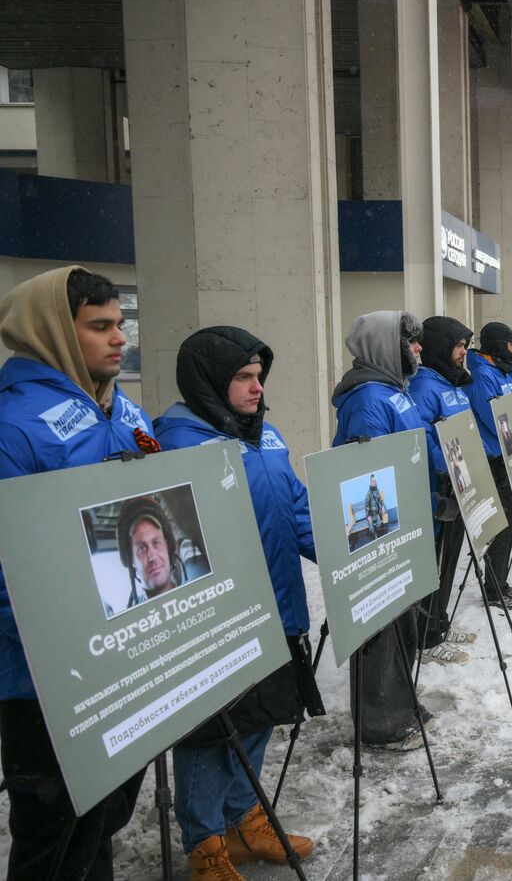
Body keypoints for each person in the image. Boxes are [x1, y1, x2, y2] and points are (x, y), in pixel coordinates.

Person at [0, 267, 152, 880]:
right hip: (48, 680)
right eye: (100, 327)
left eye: (120, 325)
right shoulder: (14, 426)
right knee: (53, 838)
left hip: (121, 654)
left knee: (101, 819)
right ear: (53, 333)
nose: (119, 339)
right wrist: (63, 655)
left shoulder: (119, 407)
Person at [154, 325, 321, 876]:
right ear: (208, 381)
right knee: (209, 732)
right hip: (220, 621)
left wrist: (350, 556)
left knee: (259, 717)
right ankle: (204, 843)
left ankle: (243, 819)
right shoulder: (176, 443)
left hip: (277, 606)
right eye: (243, 378)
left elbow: (296, 509)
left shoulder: (264, 437)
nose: (256, 388)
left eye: (258, 376)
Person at [331, 310, 446, 750]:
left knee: (404, 624)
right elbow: (371, 473)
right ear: (385, 348)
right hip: (386, 534)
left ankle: (400, 703)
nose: (419, 349)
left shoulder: (395, 391)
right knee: (382, 627)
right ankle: (380, 722)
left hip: (412, 522)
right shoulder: (368, 399)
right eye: (410, 343)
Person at [405, 315, 475, 659]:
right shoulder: (423, 387)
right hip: (438, 489)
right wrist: (446, 464)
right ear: (440, 348)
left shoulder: (452, 384)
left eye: (465, 346)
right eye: (458, 346)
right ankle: (426, 635)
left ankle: (439, 622)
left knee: (449, 560)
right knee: (433, 565)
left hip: (458, 486)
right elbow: (420, 437)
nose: (463, 353)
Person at [464, 323, 512, 610]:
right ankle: (493, 588)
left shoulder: (500, 371)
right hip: (495, 457)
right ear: (497, 345)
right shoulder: (483, 375)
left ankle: (500, 581)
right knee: (504, 523)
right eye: (510, 344)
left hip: (510, 454)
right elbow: (496, 419)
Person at [115, 495, 211, 609]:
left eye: (156, 543)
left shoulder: (201, 592)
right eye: (141, 548)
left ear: (167, 545)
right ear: (131, 559)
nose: (152, 556)